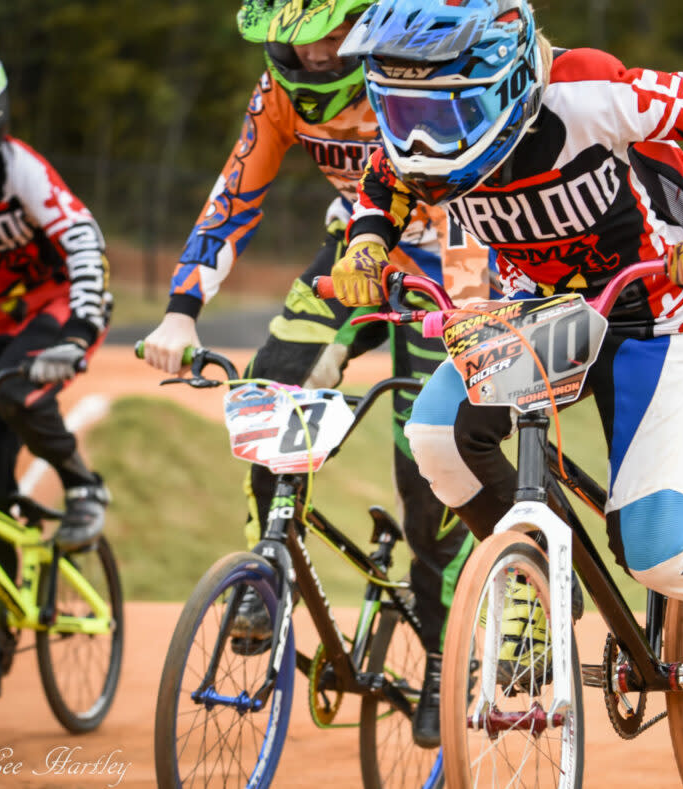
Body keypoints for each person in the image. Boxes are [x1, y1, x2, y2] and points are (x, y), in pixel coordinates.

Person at [330, 0, 683, 733]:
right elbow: (384, 179)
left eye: (441, 111)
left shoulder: (586, 94)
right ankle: (534, 571)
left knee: (657, 548)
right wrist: (365, 243)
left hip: (657, 309)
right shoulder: (419, 137)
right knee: (435, 438)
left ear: (504, 81)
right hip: (541, 317)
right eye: (400, 107)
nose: (420, 137)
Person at [139, 0, 490, 747]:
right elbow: (232, 197)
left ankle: (440, 654)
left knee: (424, 469)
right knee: (274, 377)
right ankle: (263, 576)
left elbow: (481, 183)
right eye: (294, 42)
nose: (317, 55)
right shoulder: (278, 95)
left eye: (330, 34)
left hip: (453, 263)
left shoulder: (412, 69)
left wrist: (469, 308)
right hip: (354, 259)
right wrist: (179, 310)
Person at [0, 30, 112, 675]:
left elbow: (84, 238)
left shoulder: (17, 168)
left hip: (56, 306)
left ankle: (83, 487)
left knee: (14, 393)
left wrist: (81, 331)